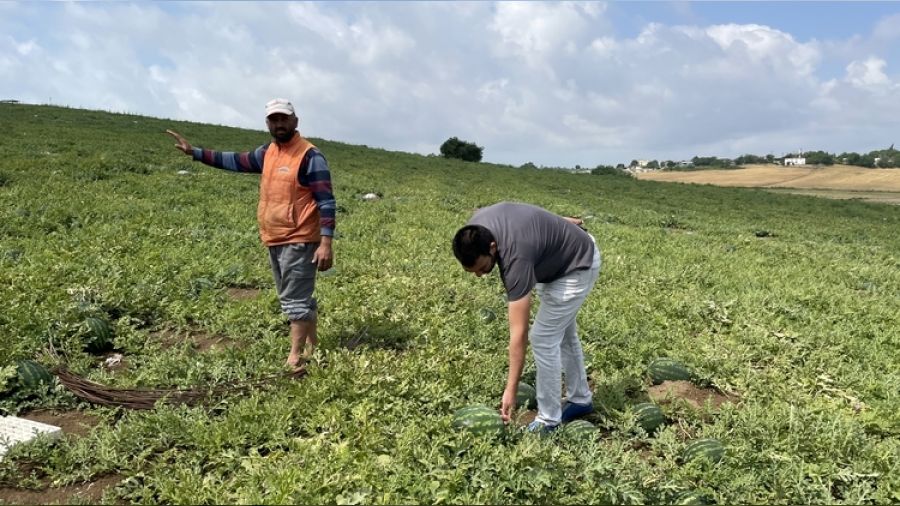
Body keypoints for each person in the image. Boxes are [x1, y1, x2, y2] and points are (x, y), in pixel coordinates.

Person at [166, 98, 335, 371]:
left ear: (295, 122)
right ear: (268, 123)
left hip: (300, 238)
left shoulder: (310, 156)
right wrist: (194, 152)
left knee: (294, 300)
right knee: (296, 296)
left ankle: (296, 356)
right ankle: (313, 346)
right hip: (275, 237)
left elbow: (326, 200)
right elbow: (234, 160)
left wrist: (326, 242)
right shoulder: (268, 152)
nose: (279, 124)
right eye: (273, 119)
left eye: (284, 118)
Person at [452, 202, 601, 433]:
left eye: (482, 268)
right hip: (557, 260)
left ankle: (549, 420)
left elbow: (518, 334)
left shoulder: (516, 259)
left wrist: (510, 390)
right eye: (473, 272)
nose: (480, 275)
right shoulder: (474, 229)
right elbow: (522, 213)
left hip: (577, 265)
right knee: (563, 334)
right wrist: (557, 223)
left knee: (543, 338)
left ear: (492, 248)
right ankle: (580, 399)